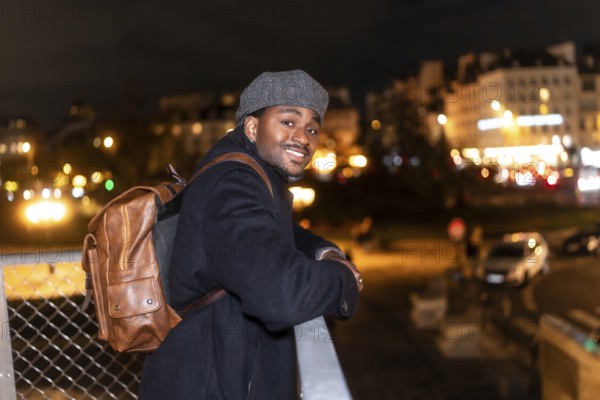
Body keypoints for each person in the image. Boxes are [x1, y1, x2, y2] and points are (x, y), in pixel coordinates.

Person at [139, 70, 363, 399]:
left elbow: (277, 232)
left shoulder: (252, 173)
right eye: (288, 122)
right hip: (212, 383)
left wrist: (323, 250)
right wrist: (343, 279)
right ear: (253, 127)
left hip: (216, 372)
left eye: (312, 128)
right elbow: (282, 295)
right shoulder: (235, 181)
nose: (304, 138)